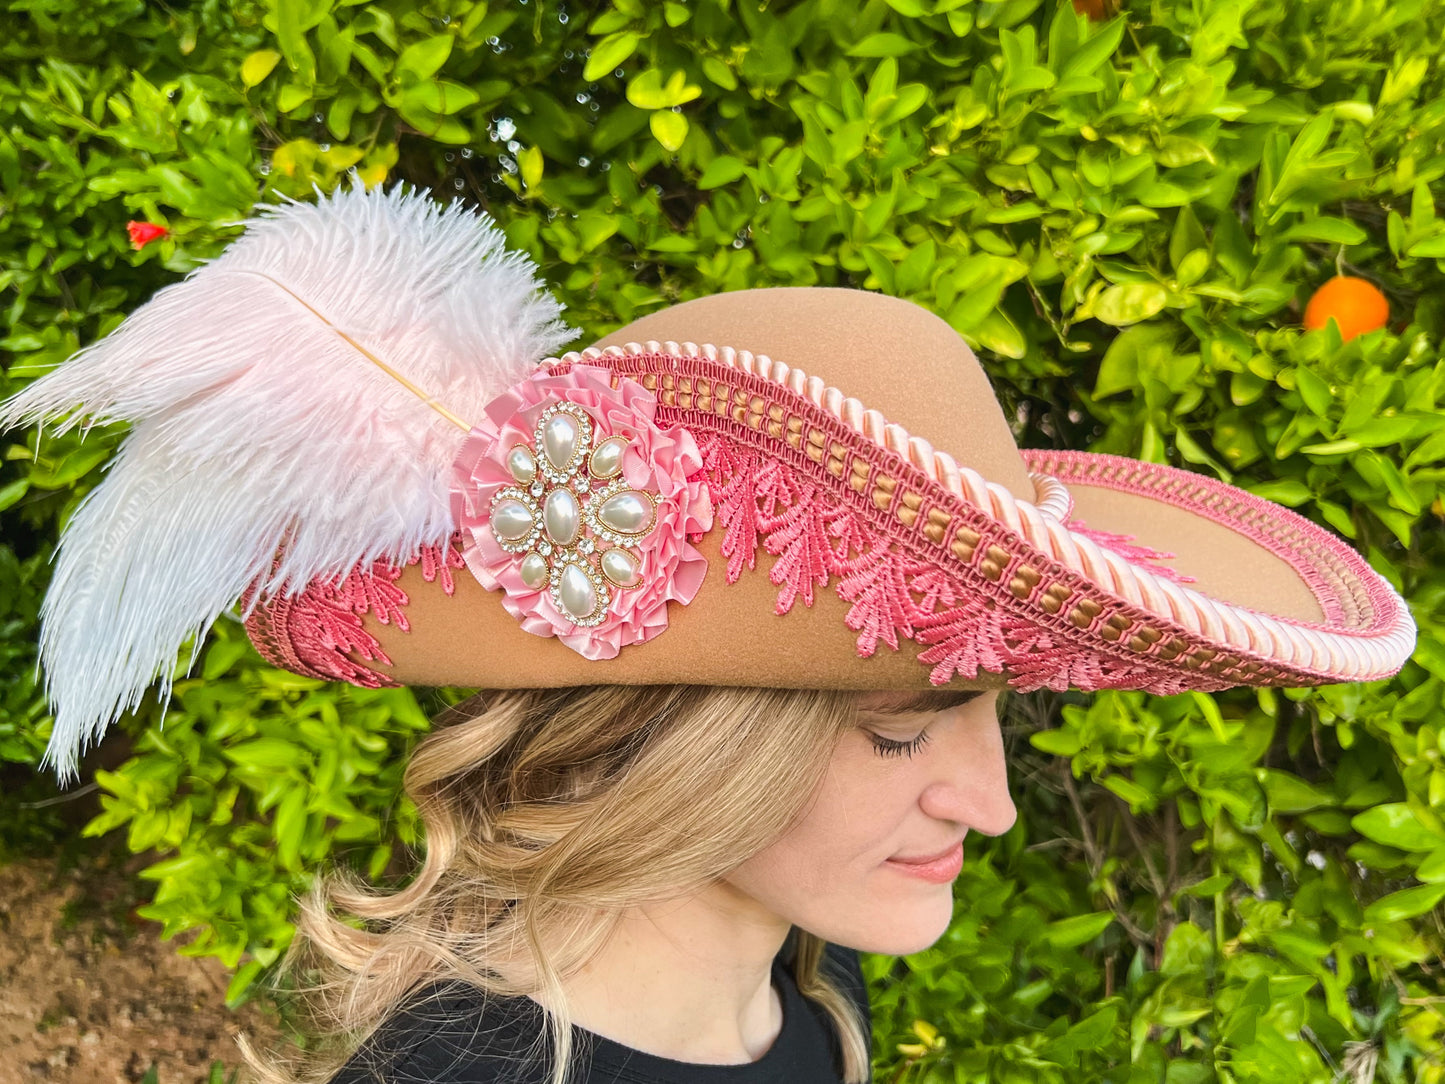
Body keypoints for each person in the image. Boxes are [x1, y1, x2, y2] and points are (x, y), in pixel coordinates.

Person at [0, 185, 1415, 1084]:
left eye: (992, 711)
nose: (985, 805)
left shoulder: (812, 983)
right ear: (665, 732)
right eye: (902, 722)